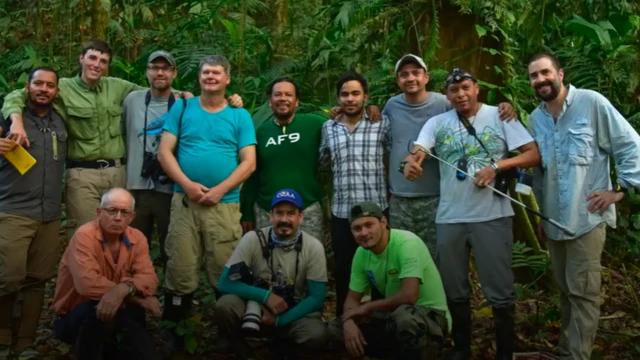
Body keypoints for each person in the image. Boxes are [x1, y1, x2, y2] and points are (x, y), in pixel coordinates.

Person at [404, 68, 541, 359]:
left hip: (492, 215)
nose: (461, 94)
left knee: (499, 288)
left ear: (476, 88)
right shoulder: (437, 122)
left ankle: (505, 351)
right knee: (454, 286)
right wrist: (411, 163)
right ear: (447, 94)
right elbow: (419, 150)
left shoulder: (500, 116)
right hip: (450, 217)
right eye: (454, 90)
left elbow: (532, 154)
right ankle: (462, 348)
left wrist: (498, 167)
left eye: (466, 87)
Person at [527, 53, 640, 360]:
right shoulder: (534, 118)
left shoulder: (591, 103)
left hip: (585, 219)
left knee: (583, 294)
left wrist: (620, 190)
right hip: (553, 221)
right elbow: (540, 173)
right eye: (534, 76)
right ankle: (567, 351)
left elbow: (630, 144)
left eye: (545, 72)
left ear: (560, 73)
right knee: (565, 292)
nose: (541, 79)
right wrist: (541, 214)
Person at [158, 54, 257, 355]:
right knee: (179, 267)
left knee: (225, 268)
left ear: (227, 79)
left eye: (216, 72)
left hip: (224, 206)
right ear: (199, 78)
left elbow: (249, 162)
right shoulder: (183, 107)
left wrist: (220, 190)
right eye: (205, 72)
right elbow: (165, 152)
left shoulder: (240, 115)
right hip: (184, 203)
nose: (210, 76)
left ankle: (228, 332)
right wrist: (187, 185)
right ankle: (176, 332)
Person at [384, 54, 516, 258]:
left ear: (426, 77)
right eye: (404, 75)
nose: (410, 78)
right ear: (397, 80)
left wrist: (506, 107)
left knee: (436, 259)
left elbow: (472, 111)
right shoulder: (391, 106)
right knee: (402, 256)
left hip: (438, 196)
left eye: (416, 73)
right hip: (400, 196)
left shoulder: (444, 103)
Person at [328, 202, 450, 360]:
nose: (364, 233)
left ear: (383, 222)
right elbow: (352, 299)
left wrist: (367, 307)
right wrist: (349, 322)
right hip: (392, 316)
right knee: (335, 328)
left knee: (405, 316)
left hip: (429, 317)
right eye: (357, 229)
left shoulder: (407, 243)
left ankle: (428, 352)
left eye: (369, 225)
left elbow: (409, 296)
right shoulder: (361, 253)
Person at [215, 188, 328, 359]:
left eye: (291, 213)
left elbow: (317, 298)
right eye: (279, 213)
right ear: (270, 216)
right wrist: (265, 296)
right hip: (256, 310)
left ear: (301, 217)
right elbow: (225, 282)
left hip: (291, 311)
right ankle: (242, 350)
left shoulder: (313, 247)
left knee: (316, 335)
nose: (284, 219)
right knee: (225, 305)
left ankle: (285, 344)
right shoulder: (252, 239)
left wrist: (279, 320)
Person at [0, 67, 66, 359]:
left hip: (49, 214)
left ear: (57, 92)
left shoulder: (62, 121)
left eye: (50, 85)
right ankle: (3, 337)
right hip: (13, 210)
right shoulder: (8, 118)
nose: (44, 89)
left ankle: (26, 340)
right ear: (27, 87)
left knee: (37, 279)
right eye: (38, 83)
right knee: (8, 277)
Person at [52, 188, 161, 360]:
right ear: (99, 212)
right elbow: (87, 284)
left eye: (124, 212)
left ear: (131, 217)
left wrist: (124, 289)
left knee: (125, 316)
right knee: (99, 309)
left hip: (119, 313)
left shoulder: (137, 238)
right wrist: (132, 295)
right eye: (111, 210)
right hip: (76, 316)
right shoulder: (84, 235)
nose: (118, 217)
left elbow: (149, 278)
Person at [319, 71, 391, 317]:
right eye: (345, 94)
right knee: (345, 269)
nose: (350, 99)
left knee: (382, 267)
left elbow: (392, 154)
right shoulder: (329, 127)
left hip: (377, 209)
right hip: (342, 212)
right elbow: (323, 162)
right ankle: (345, 319)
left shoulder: (381, 122)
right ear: (338, 98)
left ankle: (381, 324)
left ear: (366, 96)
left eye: (356, 93)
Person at [240, 78, 326, 241]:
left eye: (289, 94)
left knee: (310, 261)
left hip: (307, 208)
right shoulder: (260, 132)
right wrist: (247, 213)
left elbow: (344, 122)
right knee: (268, 263)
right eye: (277, 94)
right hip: (267, 210)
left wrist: (371, 109)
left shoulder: (314, 124)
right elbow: (252, 175)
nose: (283, 98)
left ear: (297, 101)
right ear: (270, 101)